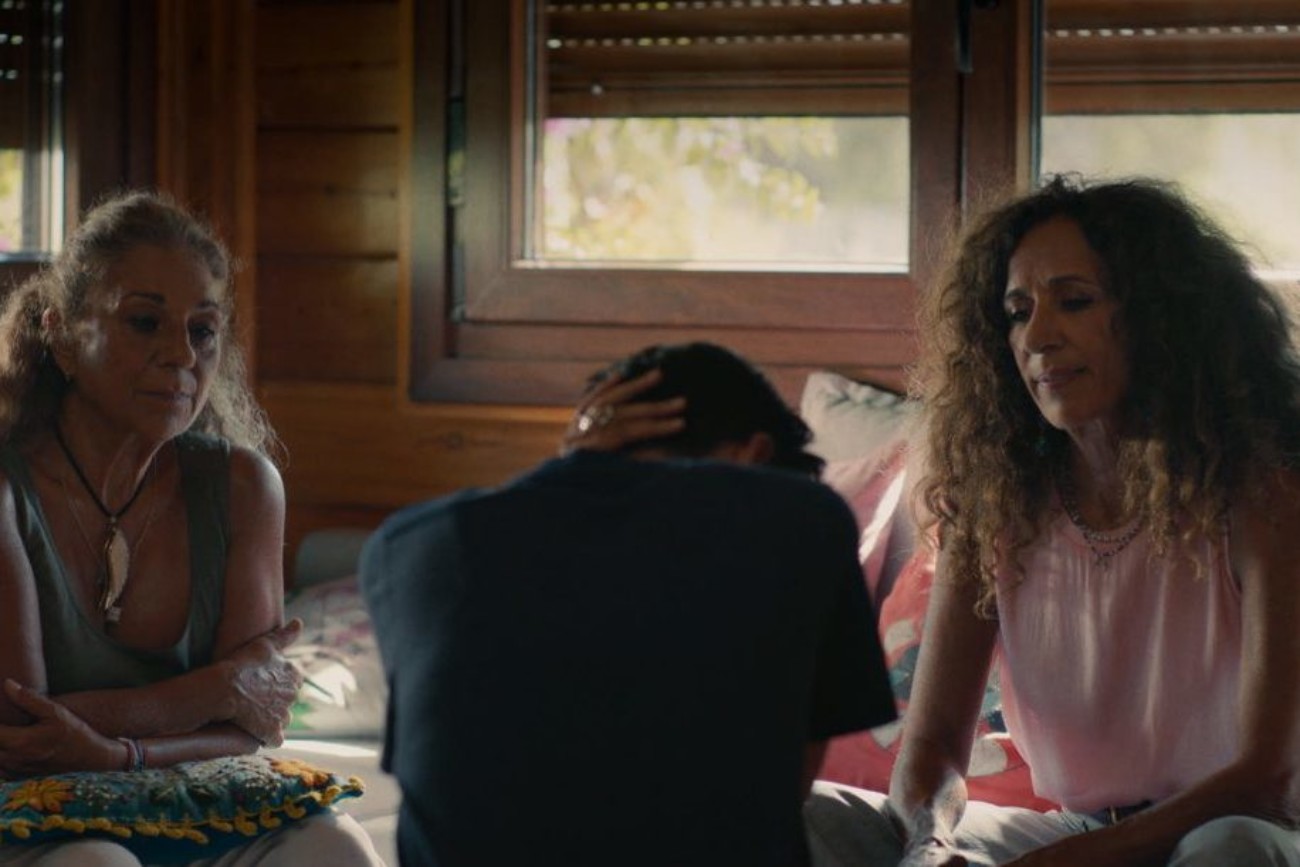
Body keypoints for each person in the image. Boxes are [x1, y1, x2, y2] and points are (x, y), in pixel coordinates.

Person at [801, 175, 1300, 866]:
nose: (1037, 336)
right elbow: (934, 745)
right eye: (1016, 312)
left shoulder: (1263, 492)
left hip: (1244, 829)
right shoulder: (996, 501)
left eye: (1075, 301)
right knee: (810, 818)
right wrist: (931, 843)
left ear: (1162, 317)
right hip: (1073, 831)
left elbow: (1264, 778)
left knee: (1229, 850)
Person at [359, 341, 897, 867]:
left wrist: (574, 468)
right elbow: (784, 791)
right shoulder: (800, 518)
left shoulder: (408, 544)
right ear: (754, 455)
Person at [0, 192, 384, 865]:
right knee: (97, 864)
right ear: (62, 336)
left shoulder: (245, 487)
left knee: (336, 847)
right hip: (28, 802)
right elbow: (21, 728)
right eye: (144, 322)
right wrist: (214, 689)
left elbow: (252, 728)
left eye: (202, 330)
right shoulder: (8, 488)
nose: (181, 353)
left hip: (185, 789)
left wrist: (122, 751)